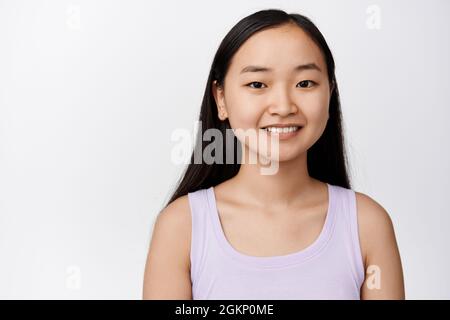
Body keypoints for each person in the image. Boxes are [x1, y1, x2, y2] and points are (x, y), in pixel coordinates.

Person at [142, 8, 405, 300]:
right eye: (257, 84)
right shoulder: (181, 227)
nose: (283, 106)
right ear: (221, 98)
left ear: (329, 93)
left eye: (305, 83)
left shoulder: (367, 225)